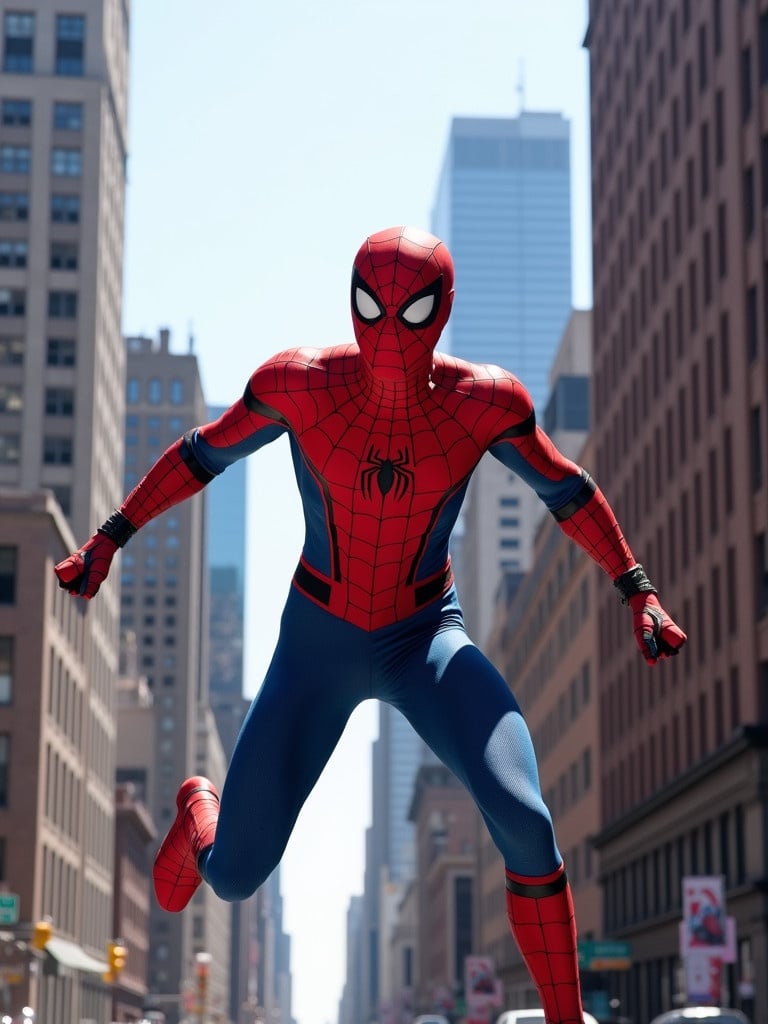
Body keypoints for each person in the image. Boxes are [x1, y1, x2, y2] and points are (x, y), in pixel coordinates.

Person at [55, 226, 686, 1024]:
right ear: (349, 301)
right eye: (371, 306)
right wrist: (109, 536)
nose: (389, 331)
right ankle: (197, 808)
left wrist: (638, 588)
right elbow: (201, 453)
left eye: (411, 310)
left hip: (425, 636)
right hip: (317, 639)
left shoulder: (486, 402)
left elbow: (567, 489)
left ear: (443, 310)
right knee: (237, 875)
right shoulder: (301, 385)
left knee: (527, 820)